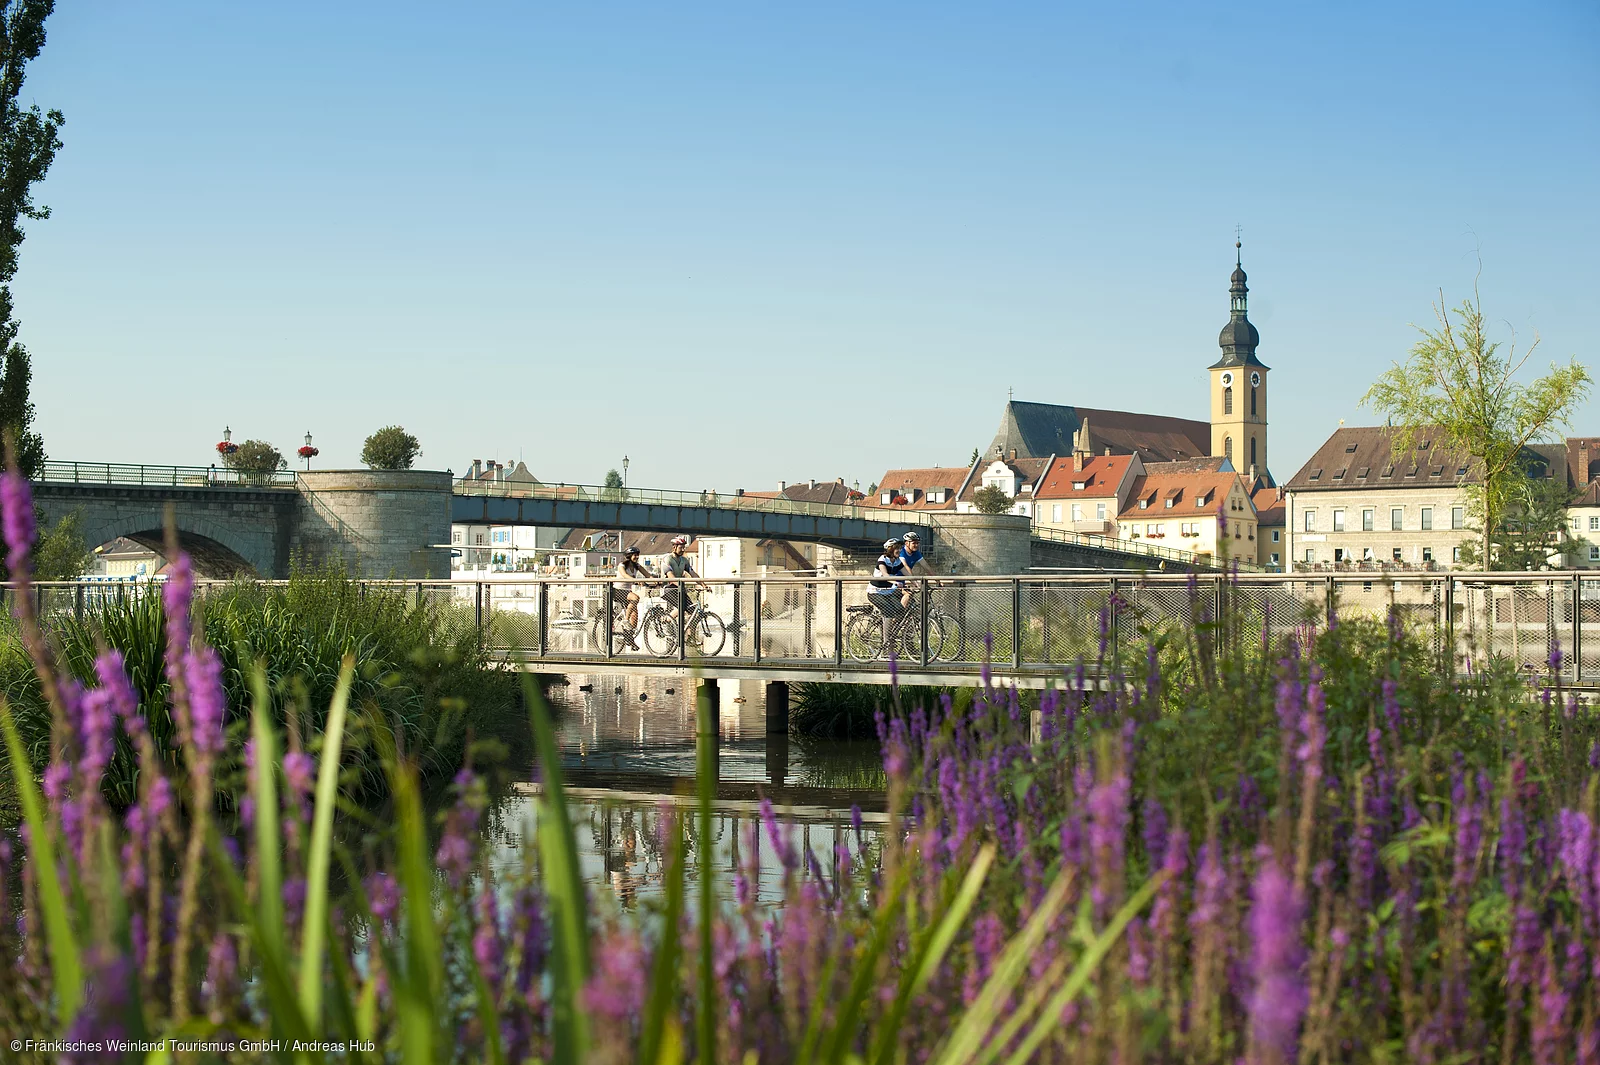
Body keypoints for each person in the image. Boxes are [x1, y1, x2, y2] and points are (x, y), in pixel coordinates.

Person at [615, 545, 656, 649]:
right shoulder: (622, 565)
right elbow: (624, 575)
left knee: (634, 618)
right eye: (634, 555)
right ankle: (625, 619)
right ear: (629, 556)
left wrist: (656, 581)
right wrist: (636, 581)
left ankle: (629, 639)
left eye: (637, 555)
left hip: (627, 592)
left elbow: (648, 575)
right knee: (635, 598)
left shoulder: (637, 566)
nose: (637, 557)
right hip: (617, 590)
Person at [662, 535, 708, 622]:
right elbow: (670, 576)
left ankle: (688, 634)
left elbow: (693, 573)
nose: (683, 550)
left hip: (680, 588)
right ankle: (665, 620)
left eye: (684, 547)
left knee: (692, 611)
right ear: (674, 547)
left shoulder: (684, 560)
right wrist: (680, 584)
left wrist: (703, 585)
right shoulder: (668, 559)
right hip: (669, 588)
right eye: (681, 548)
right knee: (682, 607)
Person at [868, 538, 908, 617]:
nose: (899, 550)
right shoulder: (882, 559)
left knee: (900, 610)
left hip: (888, 591)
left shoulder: (897, 561)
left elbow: (907, 574)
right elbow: (885, 575)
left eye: (900, 548)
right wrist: (895, 582)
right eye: (897, 548)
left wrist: (918, 582)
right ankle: (886, 630)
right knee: (889, 611)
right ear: (890, 549)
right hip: (875, 592)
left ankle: (894, 628)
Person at [898, 529, 925, 611]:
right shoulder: (901, 552)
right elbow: (906, 567)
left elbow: (926, 566)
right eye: (914, 543)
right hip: (892, 584)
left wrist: (937, 580)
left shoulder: (916, 553)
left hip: (901, 583)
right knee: (908, 595)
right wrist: (915, 582)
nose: (916, 545)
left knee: (911, 603)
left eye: (917, 543)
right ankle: (894, 621)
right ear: (906, 543)